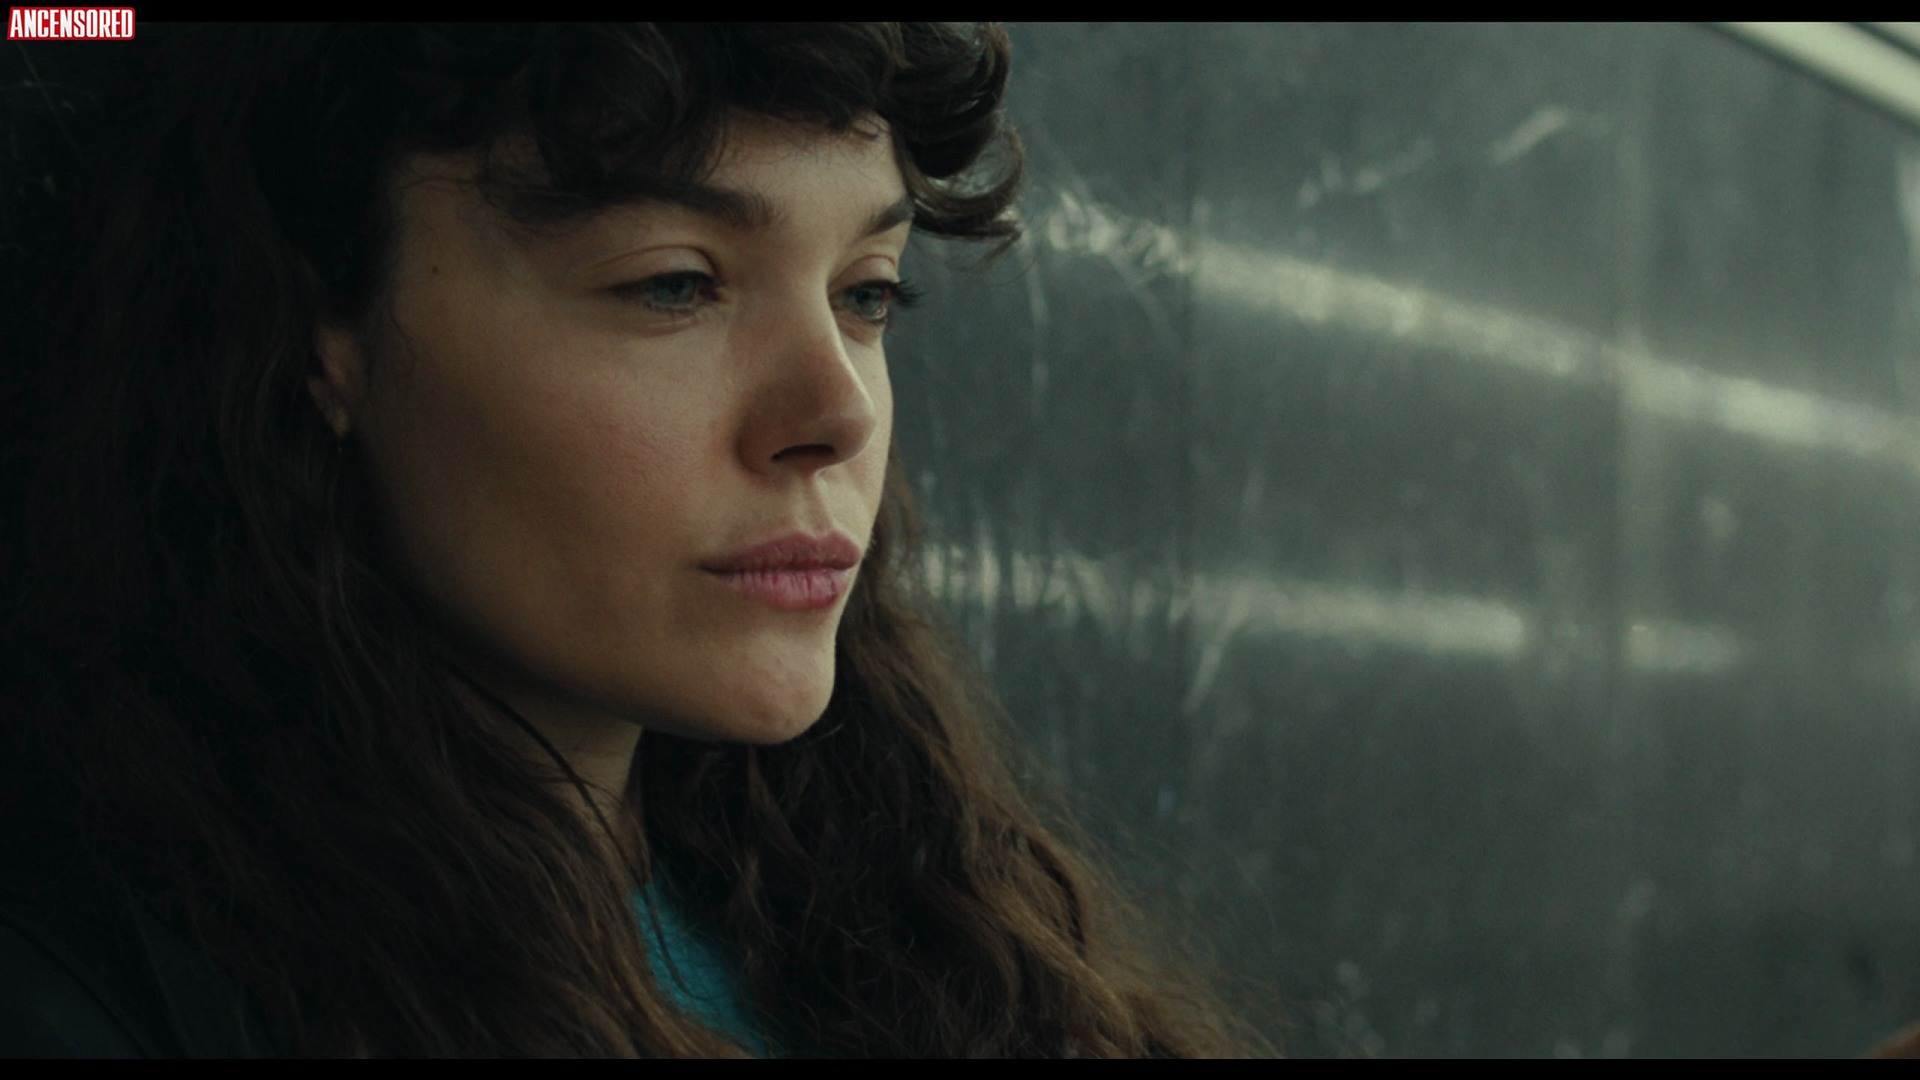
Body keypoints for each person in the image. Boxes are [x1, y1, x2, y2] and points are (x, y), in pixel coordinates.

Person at [0, 24, 1242, 1056]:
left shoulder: (912, 932)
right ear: (325, 331)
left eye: (865, 293)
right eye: (673, 284)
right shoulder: (93, 1001)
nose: (840, 416)